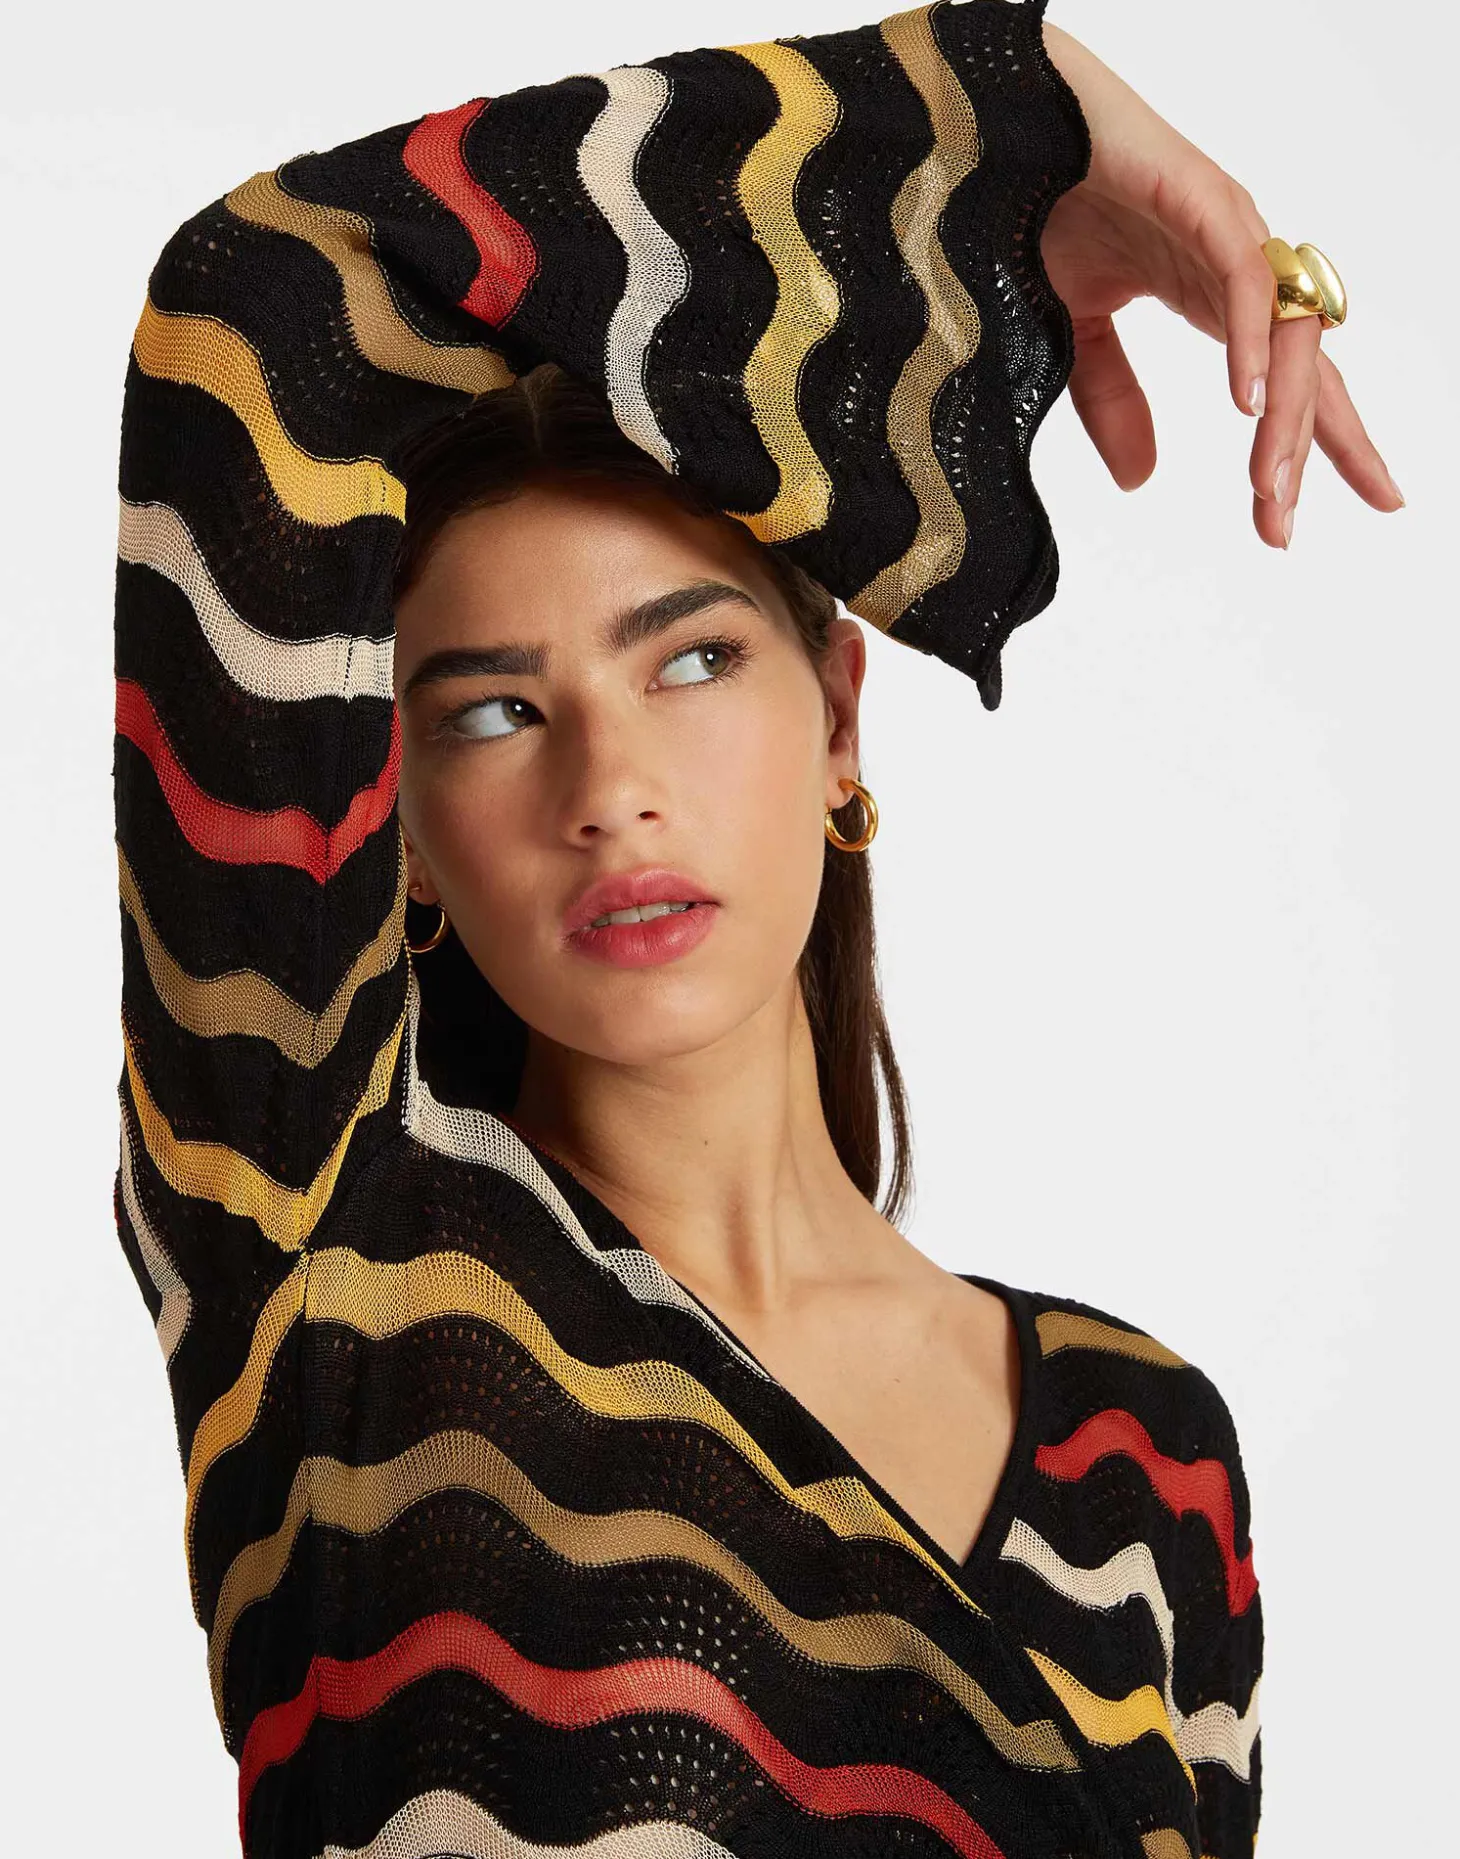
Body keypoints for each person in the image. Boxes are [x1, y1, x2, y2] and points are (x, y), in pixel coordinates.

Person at [110, 3, 1399, 1856]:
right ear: (400, 827)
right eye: (493, 710)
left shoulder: (1143, 1455)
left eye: (694, 660)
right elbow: (264, 301)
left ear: (842, 718)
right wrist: (1000, 109)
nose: (610, 786)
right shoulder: (331, 1270)